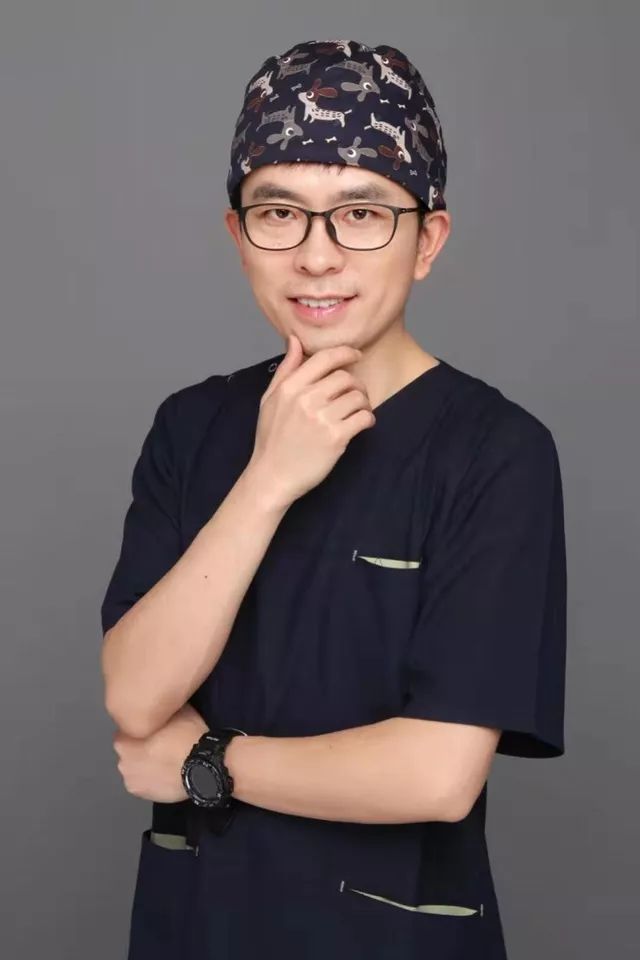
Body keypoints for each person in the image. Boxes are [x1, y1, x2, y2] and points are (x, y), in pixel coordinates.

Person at [100, 38, 567, 960]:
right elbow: (135, 695)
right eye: (280, 213)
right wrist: (268, 481)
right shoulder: (192, 427)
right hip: (196, 927)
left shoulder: (495, 452)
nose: (317, 257)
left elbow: (435, 775)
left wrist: (204, 764)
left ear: (427, 240)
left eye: (361, 214)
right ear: (239, 235)